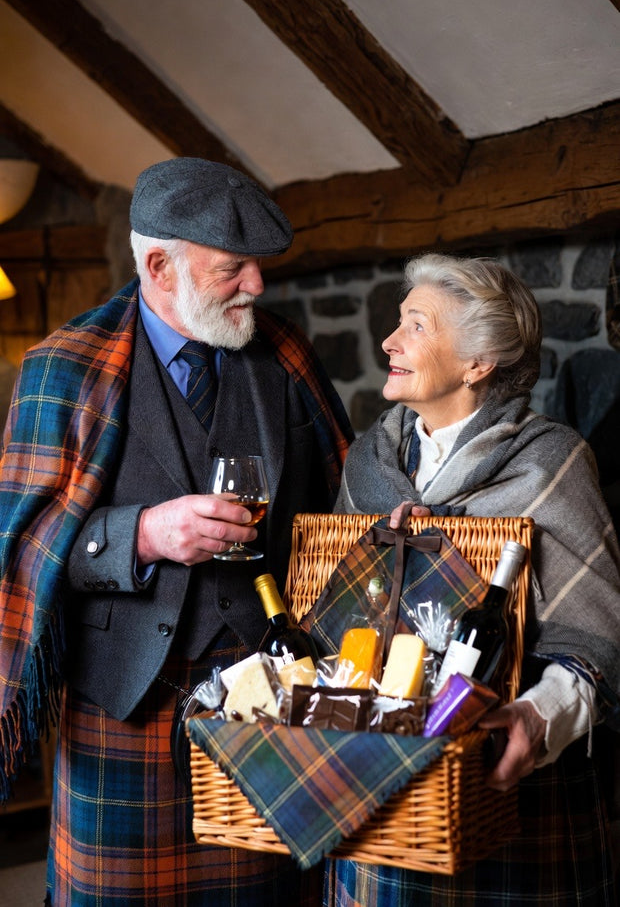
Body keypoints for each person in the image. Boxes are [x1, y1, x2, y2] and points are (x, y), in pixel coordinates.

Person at [0, 157, 354, 906]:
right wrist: (143, 534)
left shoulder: (281, 353)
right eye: (234, 269)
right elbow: (23, 546)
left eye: (256, 265)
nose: (257, 285)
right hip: (123, 706)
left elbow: (346, 486)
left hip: (267, 700)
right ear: (159, 266)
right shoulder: (62, 367)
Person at [331, 253, 620, 905]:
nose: (389, 340)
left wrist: (539, 715)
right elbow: (339, 619)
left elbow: (600, 633)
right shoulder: (368, 465)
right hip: (384, 781)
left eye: (416, 325)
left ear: (477, 363)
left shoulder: (550, 462)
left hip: (512, 786)